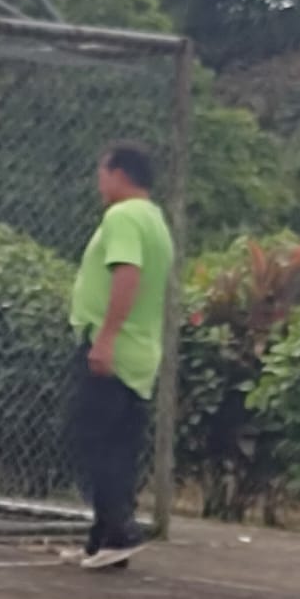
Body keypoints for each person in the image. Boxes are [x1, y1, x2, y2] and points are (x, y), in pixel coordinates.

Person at [67, 141, 174, 571]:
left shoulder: (123, 216)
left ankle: (119, 530)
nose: (99, 183)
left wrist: (106, 338)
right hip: (140, 351)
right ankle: (103, 542)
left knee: (91, 441)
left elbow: (127, 274)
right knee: (119, 444)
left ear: (119, 174)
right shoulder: (154, 218)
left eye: (102, 173)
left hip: (115, 349)